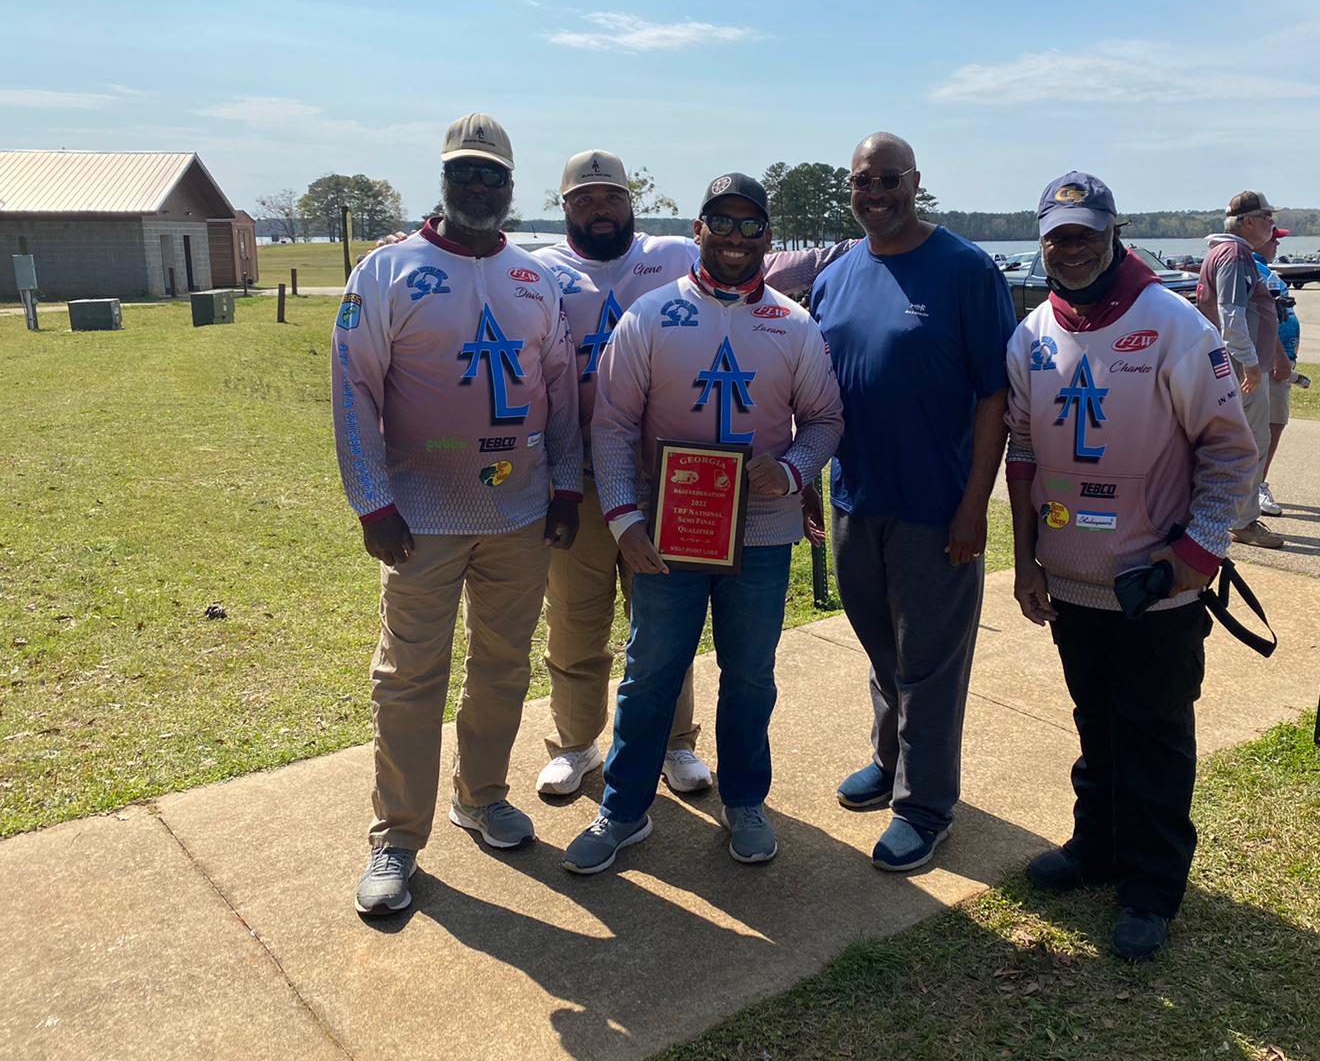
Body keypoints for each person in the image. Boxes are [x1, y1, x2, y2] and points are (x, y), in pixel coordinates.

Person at [525, 152, 851, 798]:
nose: (735, 237)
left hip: (745, 520)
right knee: (624, 644)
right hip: (624, 493)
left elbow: (824, 419)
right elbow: (615, 424)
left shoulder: (790, 321)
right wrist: (624, 515)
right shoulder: (634, 307)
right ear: (698, 230)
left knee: (737, 666)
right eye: (721, 223)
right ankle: (602, 779)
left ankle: (714, 775)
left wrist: (791, 474)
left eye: (750, 225)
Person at [334, 114, 583, 915]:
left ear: (512, 188)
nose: (479, 187)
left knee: (504, 664)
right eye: (464, 173)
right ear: (444, 181)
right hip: (421, 514)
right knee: (411, 678)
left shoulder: (534, 278)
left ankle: (480, 794)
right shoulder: (387, 271)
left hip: (518, 512)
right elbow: (354, 391)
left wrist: (567, 488)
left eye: (493, 176)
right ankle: (396, 839)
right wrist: (372, 501)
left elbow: (564, 394)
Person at [1005, 170, 1257, 961]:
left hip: (1156, 584)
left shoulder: (1174, 323)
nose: (1070, 248)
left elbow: (1230, 451)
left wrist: (1197, 553)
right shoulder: (1033, 331)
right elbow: (1021, 453)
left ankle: (1150, 886)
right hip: (1072, 578)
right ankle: (1097, 849)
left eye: (1084, 233)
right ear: (1041, 241)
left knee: (1153, 733)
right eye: (1057, 236)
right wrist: (1025, 561)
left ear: (1113, 233)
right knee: (1095, 724)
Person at [807, 132, 1015, 873]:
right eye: (863, 182)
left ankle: (926, 805)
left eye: (889, 180)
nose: (876, 193)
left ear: (916, 182)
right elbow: (814, 390)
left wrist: (974, 507)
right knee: (880, 645)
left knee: (929, 661)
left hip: (937, 504)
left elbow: (996, 394)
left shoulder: (965, 269)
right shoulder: (836, 274)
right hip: (856, 499)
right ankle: (891, 759)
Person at [1195, 191, 1291, 550]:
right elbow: (1232, 315)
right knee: (1250, 443)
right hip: (1239, 365)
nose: (1272, 225)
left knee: (1236, 441)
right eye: (1266, 218)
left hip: (1232, 363)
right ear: (1247, 222)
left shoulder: (1224, 253)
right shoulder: (1234, 255)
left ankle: (1232, 514)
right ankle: (1243, 519)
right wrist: (1251, 365)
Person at [1255, 228, 1300, 518]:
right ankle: (1256, 487)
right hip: (1270, 364)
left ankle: (1255, 483)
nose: (1277, 243)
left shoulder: (1261, 269)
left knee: (1273, 425)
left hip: (1277, 360)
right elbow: (1261, 318)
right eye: (1273, 238)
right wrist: (1279, 358)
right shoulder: (1254, 270)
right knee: (1267, 428)